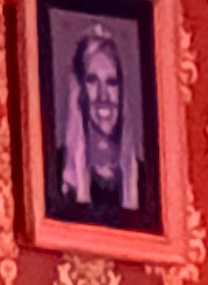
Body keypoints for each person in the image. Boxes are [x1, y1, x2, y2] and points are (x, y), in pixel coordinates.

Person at [52, 25, 150, 225]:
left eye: (112, 82)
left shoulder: (144, 179)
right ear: (79, 91)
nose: (103, 96)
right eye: (92, 81)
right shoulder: (57, 171)